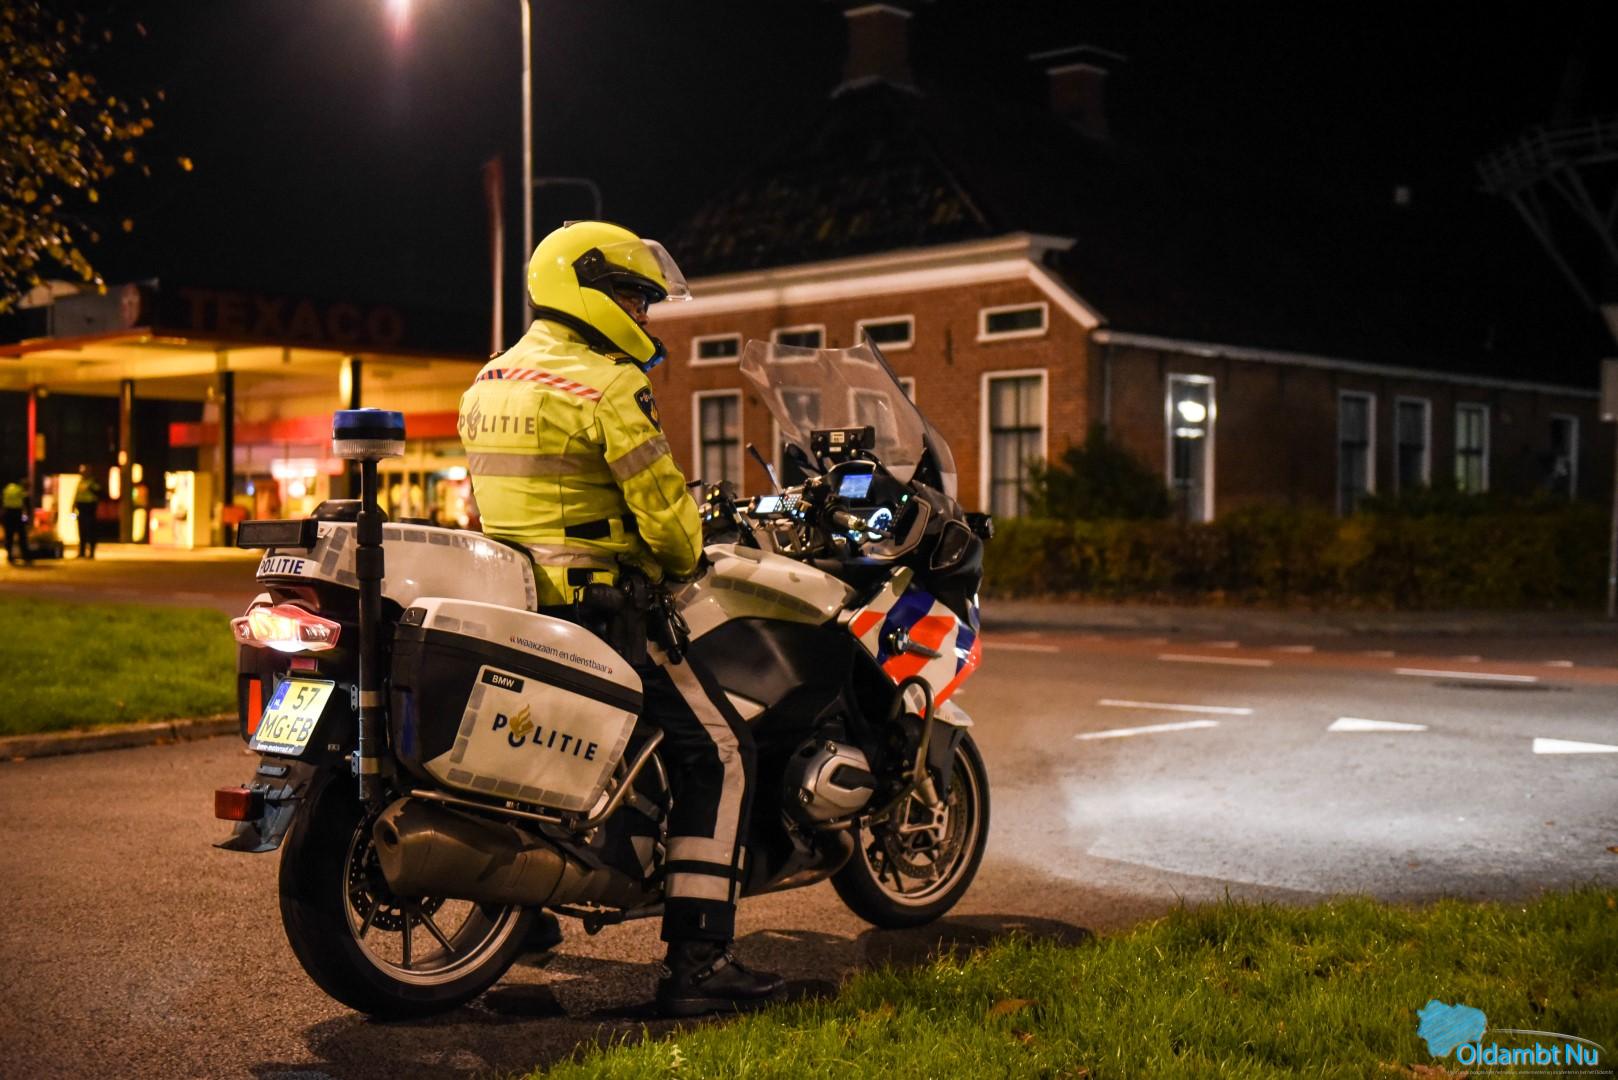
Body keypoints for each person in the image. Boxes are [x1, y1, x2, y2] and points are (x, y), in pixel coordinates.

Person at [458, 221, 782, 1017]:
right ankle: (700, 959)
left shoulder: (488, 380)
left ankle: (521, 915)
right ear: (588, 289)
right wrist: (684, 552)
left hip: (516, 606)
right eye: (634, 297)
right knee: (723, 751)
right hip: (602, 611)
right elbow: (669, 525)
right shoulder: (606, 385)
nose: (642, 315)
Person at [74, 465, 102, 559]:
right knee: (82, 530)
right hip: (81, 508)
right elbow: (77, 495)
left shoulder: (93, 482)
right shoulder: (81, 482)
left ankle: (91, 552)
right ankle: (82, 552)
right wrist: (73, 506)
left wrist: (90, 488)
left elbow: (99, 492)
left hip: (90, 508)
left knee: (91, 530)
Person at [2, 477, 30, 565]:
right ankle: (25, 556)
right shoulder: (21, 491)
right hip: (17, 514)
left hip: (7, 514)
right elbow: (26, 504)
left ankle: (10, 556)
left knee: (9, 537)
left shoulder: (7, 489)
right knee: (22, 536)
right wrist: (27, 518)